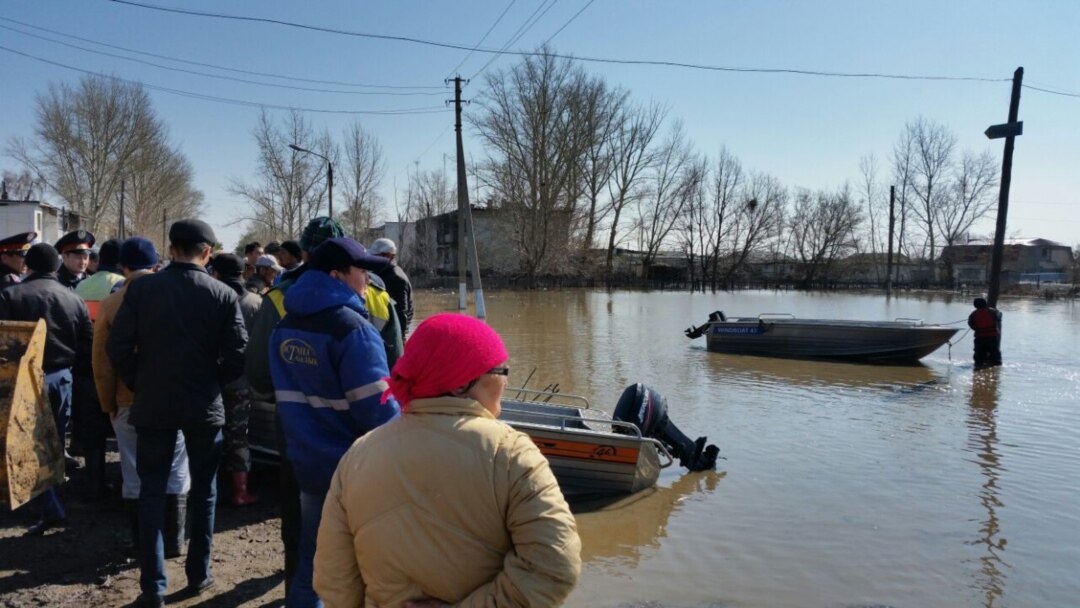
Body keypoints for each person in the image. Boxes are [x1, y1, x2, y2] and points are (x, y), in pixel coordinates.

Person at [313, 313, 581, 607]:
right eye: (500, 370)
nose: (505, 381)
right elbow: (554, 567)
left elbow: (333, 580)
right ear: (461, 384)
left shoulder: (358, 456)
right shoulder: (512, 454)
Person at [244, 216, 398, 595]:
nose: (368, 281)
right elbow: (379, 408)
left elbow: (264, 381)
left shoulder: (284, 316)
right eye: (362, 272)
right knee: (367, 562)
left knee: (311, 556)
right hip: (353, 464)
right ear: (336, 275)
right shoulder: (354, 329)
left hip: (303, 456)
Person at [107, 219, 247, 607]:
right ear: (207, 252)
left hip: (153, 404)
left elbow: (118, 347)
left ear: (171, 250)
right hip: (203, 406)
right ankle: (198, 574)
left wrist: (141, 383)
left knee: (151, 492)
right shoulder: (221, 294)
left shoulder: (142, 289)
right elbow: (238, 355)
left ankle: (153, 586)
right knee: (204, 491)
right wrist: (211, 384)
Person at [93, 237, 190, 552]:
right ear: (156, 265)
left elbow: (103, 362)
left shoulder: (111, 304)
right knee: (176, 467)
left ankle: (143, 543)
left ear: (123, 268)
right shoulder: (178, 297)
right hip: (173, 397)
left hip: (127, 399)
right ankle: (174, 541)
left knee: (134, 470)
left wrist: (108, 403)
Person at [0, 243, 93, 536]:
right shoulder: (72, 298)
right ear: (56, 266)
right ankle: (50, 496)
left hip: (21, 377)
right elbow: (86, 342)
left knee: (25, 440)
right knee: (53, 440)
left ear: (28, 265)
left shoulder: (9, 295)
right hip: (61, 377)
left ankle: (46, 503)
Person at [74, 238, 126, 499]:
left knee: (93, 431)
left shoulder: (83, 285)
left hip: (85, 367)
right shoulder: (122, 287)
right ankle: (127, 485)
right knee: (122, 429)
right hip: (115, 369)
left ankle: (95, 482)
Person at [210, 252, 263, 506]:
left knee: (209, 432)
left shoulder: (209, 297)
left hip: (211, 380)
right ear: (244, 273)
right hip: (243, 380)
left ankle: (209, 485)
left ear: (216, 273)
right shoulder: (256, 302)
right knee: (239, 435)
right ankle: (240, 491)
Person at [369, 237, 414, 339]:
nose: (372, 259)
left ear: (388, 256)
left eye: (375, 256)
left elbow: (402, 313)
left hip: (392, 335)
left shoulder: (396, 278)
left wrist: (399, 340)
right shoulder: (381, 273)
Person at [968, 297, 1003, 369]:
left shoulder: (973, 314)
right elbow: (999, 317)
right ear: (985, 303)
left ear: (975, 305)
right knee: (995, 357)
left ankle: (978, 368)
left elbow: (971, 324)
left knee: (979, 358)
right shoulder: (993, 311)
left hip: (980, 338)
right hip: (992, 338)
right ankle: (995, 370)